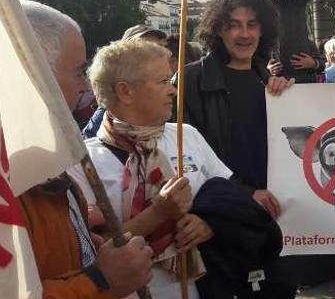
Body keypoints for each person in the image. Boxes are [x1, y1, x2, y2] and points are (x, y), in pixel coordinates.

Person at [71, 39, 233, 298]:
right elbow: (93, 249)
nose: (173, 91)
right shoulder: (81, 160)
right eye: (163, 81)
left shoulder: (187, 135)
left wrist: (208, 223)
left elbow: (227, 197)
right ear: (125, 91)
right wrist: (158, 213)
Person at [19, 0, 153, 299]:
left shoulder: (45, 157)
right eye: (79, 72)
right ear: (34, 71)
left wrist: (86, 247)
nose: (86, 87)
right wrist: (100, 282)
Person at [180, 0, 297, 296]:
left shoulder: (270, 82)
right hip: (220, 230)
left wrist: (290, 101)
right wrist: (246, 195)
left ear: (263, 30)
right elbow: (187, 160)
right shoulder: (191, 81)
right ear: (217, 30)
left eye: (251, 24)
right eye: (233, 25)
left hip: (270, 226)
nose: (243, 34)